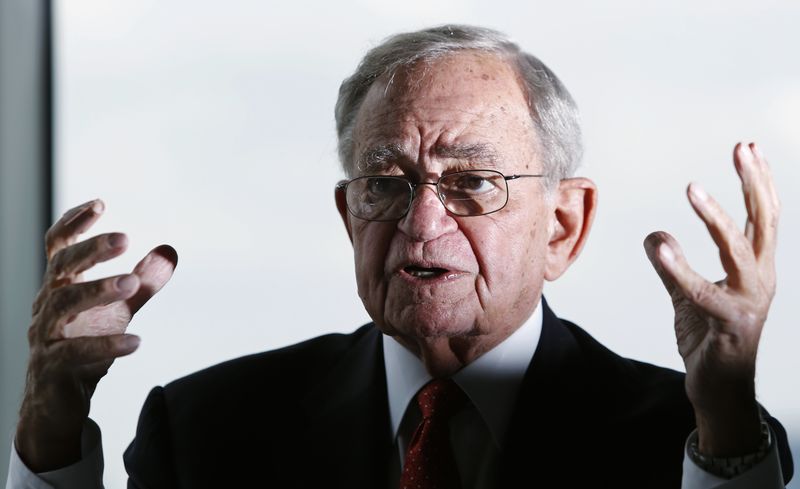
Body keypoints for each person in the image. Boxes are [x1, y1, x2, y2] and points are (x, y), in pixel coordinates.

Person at [5, 25, 794, 489]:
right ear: (350, 217)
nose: (420, 223)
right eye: (385, 182)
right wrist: (50, 428)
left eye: (472, 183)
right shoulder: (208, 430)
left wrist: (724, 416)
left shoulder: (696, 442)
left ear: (562, 226)